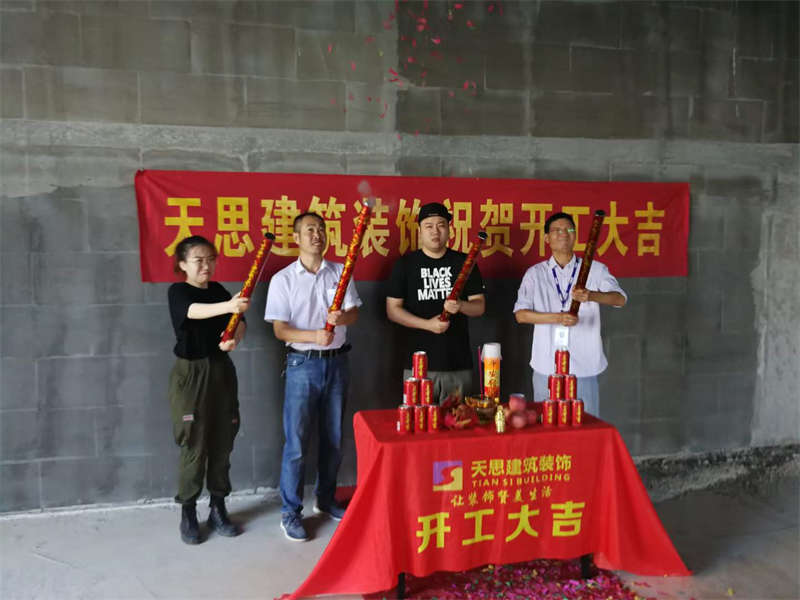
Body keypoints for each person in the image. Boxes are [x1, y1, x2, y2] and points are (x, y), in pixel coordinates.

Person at [264, 212, 362, 542]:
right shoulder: (283, 280)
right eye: (309, 230)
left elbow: (354, 312)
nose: (317, 235)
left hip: (338, 363)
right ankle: (290, 512)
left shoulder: (341, 272)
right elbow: (280, 330)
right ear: (296, 238)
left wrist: (342, 317)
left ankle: (325, 498)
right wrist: (313, 336)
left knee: (333, 438)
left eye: (321, 229)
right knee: (296, 443)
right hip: (302, 364)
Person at [167, 235, 249, 545]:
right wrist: (229, 305)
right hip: (191, 374)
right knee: (194, 443)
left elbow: (239, 321)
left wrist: (235, 336)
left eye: (211, 259)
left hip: (221, 371)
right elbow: (192, 311)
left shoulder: (218, 290)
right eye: (199, 260)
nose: (206, 265)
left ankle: (218, 506)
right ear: (183, 264)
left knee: (223, 439)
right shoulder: (179, 292)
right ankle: (188, 511)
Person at [513, 212, 626, 416]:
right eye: (557, 230)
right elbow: (521, 315)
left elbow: (620, 299)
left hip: (584, 365)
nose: (564, 233)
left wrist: (591, 295)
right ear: (546, 238)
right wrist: (558, 317)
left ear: (575, 236)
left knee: (586, 425)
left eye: (569, 229)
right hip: (546, 366)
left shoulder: (595, 270)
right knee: (547, 425)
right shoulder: (535, 274)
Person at [386, 202, 486, 403]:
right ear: (420, 231)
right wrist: (427, 325)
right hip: (417, 366)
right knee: (418, 419)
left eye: (441, 225)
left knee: (459, 419)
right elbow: (393, 310)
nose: (435, 231)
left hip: (457, 364)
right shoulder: (405, 265)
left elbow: (480, 306)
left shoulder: (465, 263)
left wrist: (461, 306)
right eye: (429, 226)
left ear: (449, 229)